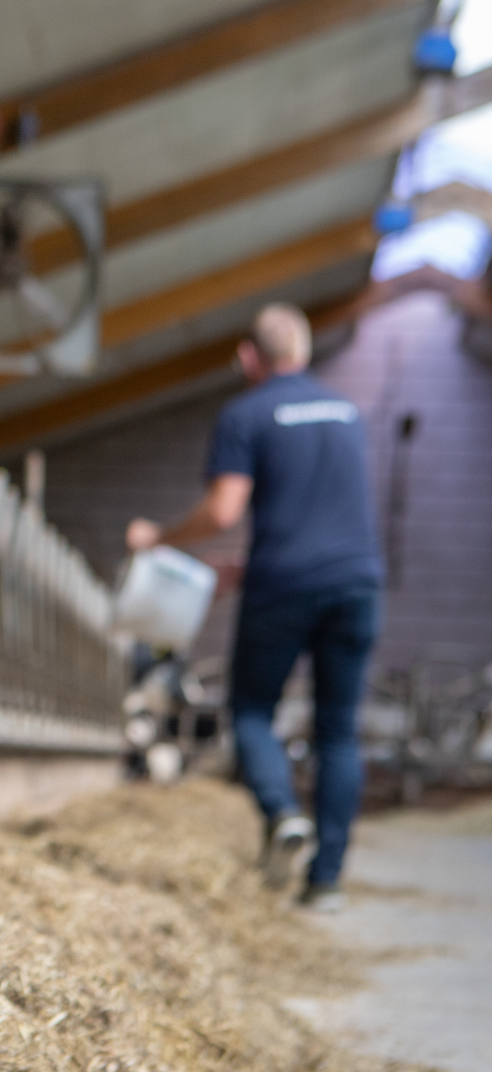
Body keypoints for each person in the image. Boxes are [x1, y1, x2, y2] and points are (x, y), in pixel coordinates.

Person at [126, 303, 381, 912]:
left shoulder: (247, 412)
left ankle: (282, 812)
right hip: (358, 582)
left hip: (285, 586)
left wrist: (156, 536)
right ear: (305, 351)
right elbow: (325, 513)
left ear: (248, 357)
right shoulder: (348, 414)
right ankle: (326, 881)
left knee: (250, 710)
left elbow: (222, 512)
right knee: (338, 732)